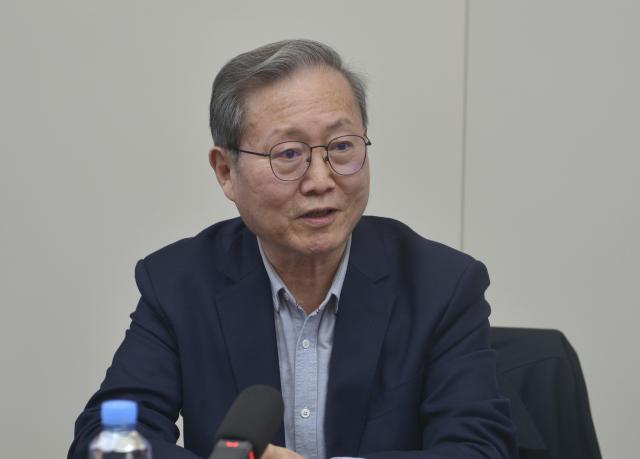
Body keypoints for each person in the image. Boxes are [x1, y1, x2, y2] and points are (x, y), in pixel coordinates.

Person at [69, 39, 517, 459]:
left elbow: (478, 448)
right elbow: (106, 439)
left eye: (342, 147)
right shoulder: (179, 283)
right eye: (288, 154)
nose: (321, 180)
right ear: (226, 171)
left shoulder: (441, 285)